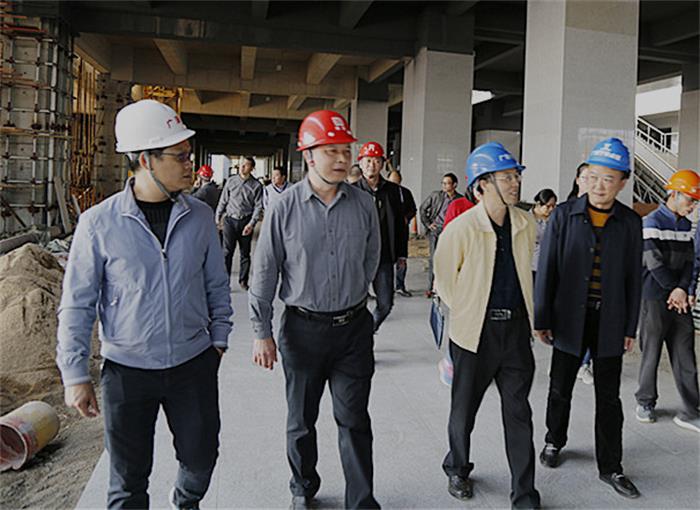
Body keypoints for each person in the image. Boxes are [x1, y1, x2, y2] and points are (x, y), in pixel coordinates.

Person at [56, 99, 232, 509]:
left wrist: (218, 341)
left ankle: (184, 500)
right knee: (127, 480)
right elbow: (78, 303)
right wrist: (74, 374)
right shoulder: (98, 224)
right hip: (127, 372)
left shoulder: (200, 217)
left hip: (192, 364)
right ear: (145, 160)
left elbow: (216, 285)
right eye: (180, 155)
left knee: (201, 459)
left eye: (189, 154)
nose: (190, 164)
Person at [249, 110, 381, 510]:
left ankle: (361, 500)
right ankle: (303, 487)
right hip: (302, 331)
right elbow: (265, 271)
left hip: (353, 329)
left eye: (346, 151)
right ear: (308, 156)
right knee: (301, 420)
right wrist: (261, 331)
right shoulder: (284, 207)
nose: (342, 159)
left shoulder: (364, 205)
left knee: (354, 419)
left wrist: (354, 297)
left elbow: (371, 259)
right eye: (331, 151)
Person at [535, 137, 642, 499]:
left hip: (610, 320)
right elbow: (547, 269)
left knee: (609, 397)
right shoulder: (564, 215)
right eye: (593, 177)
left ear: (622, 182)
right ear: (584, 177)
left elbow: (633, 278)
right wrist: (542, 317)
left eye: (608, 179)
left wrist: (629, 327)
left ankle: (611, 466)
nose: (599, 185)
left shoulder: (629, 222)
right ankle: (554, 439)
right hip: (568, 317)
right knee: (560, 386)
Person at [434, 142, 540, 508]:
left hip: (516, 333)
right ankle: (457, 467)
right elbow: (445, 280)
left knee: (519, 413)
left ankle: (524, 494)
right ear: (482, 184)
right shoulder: (460, 229)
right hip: (473, 334)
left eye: (516, 176)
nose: (515, 183)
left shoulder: (525, 223)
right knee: (464, 409)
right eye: (506, 178)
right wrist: (469, 310)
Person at [634, 169, 700, 433]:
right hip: (654, 297)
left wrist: (683, 288)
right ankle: (645, 402)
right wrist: (675, 289)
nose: (693, 206)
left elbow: (689, 262)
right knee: (651, 351)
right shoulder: (651, 221)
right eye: (690, 200)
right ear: (674, 194)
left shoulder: (685, 226)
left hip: (678, 299)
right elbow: (653, 262)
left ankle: (691, 410)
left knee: (685, 352)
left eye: (695, 202)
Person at [354, 142, 405, 332]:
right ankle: (358, 338)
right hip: (358, 257)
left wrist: (402, 254)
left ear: (382, 164)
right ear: (360, 163)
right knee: (355, 303)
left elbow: (400, 224)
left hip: (384, 256)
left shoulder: (393, 191)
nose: (371, 165)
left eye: (376, 161)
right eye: (367, 161)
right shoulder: (351, 191)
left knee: (385, 303)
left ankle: (369, 331)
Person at [215, 155, 263, 290]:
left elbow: (258, 206)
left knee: (245, 253)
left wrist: (251, 224)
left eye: (246, 165)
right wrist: (217, 218)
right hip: (230, 220)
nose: (242, 167)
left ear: (252, 168)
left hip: (246, 221)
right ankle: (225, 282)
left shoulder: (256, 185)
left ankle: (243, 280)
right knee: (227, 252)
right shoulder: (231, 181)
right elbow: (223, 200)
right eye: (241, 164)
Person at [420, 173, 463, 297]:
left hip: (451, 232)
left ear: (454, 185)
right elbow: (423, 208)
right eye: (443, 183)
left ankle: (447, 288)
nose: (444, 186)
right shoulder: (436, 196)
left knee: (450, 259)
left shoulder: (460, 199)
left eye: (447, 183)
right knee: (434, 259)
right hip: (436, 230)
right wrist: (428, 224)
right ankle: (431, 288)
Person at [387, 170, 416, 297]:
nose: (395, 183)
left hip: (402, 231)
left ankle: (400, 286)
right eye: (392, 181)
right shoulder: (384, 193)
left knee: (402, 259)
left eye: (397, 180)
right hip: (387, 232)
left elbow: (413, 209)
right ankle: (387, 287)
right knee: (387, 261)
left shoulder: (405, 192)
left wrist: (406, 217)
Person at [531, 188, 557, 282]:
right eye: (548, 206)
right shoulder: (527, 220)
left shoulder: (554, 220)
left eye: (553, 206)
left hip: (548, 267)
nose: (551, 209)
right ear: (538, 204)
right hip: (531, 267)